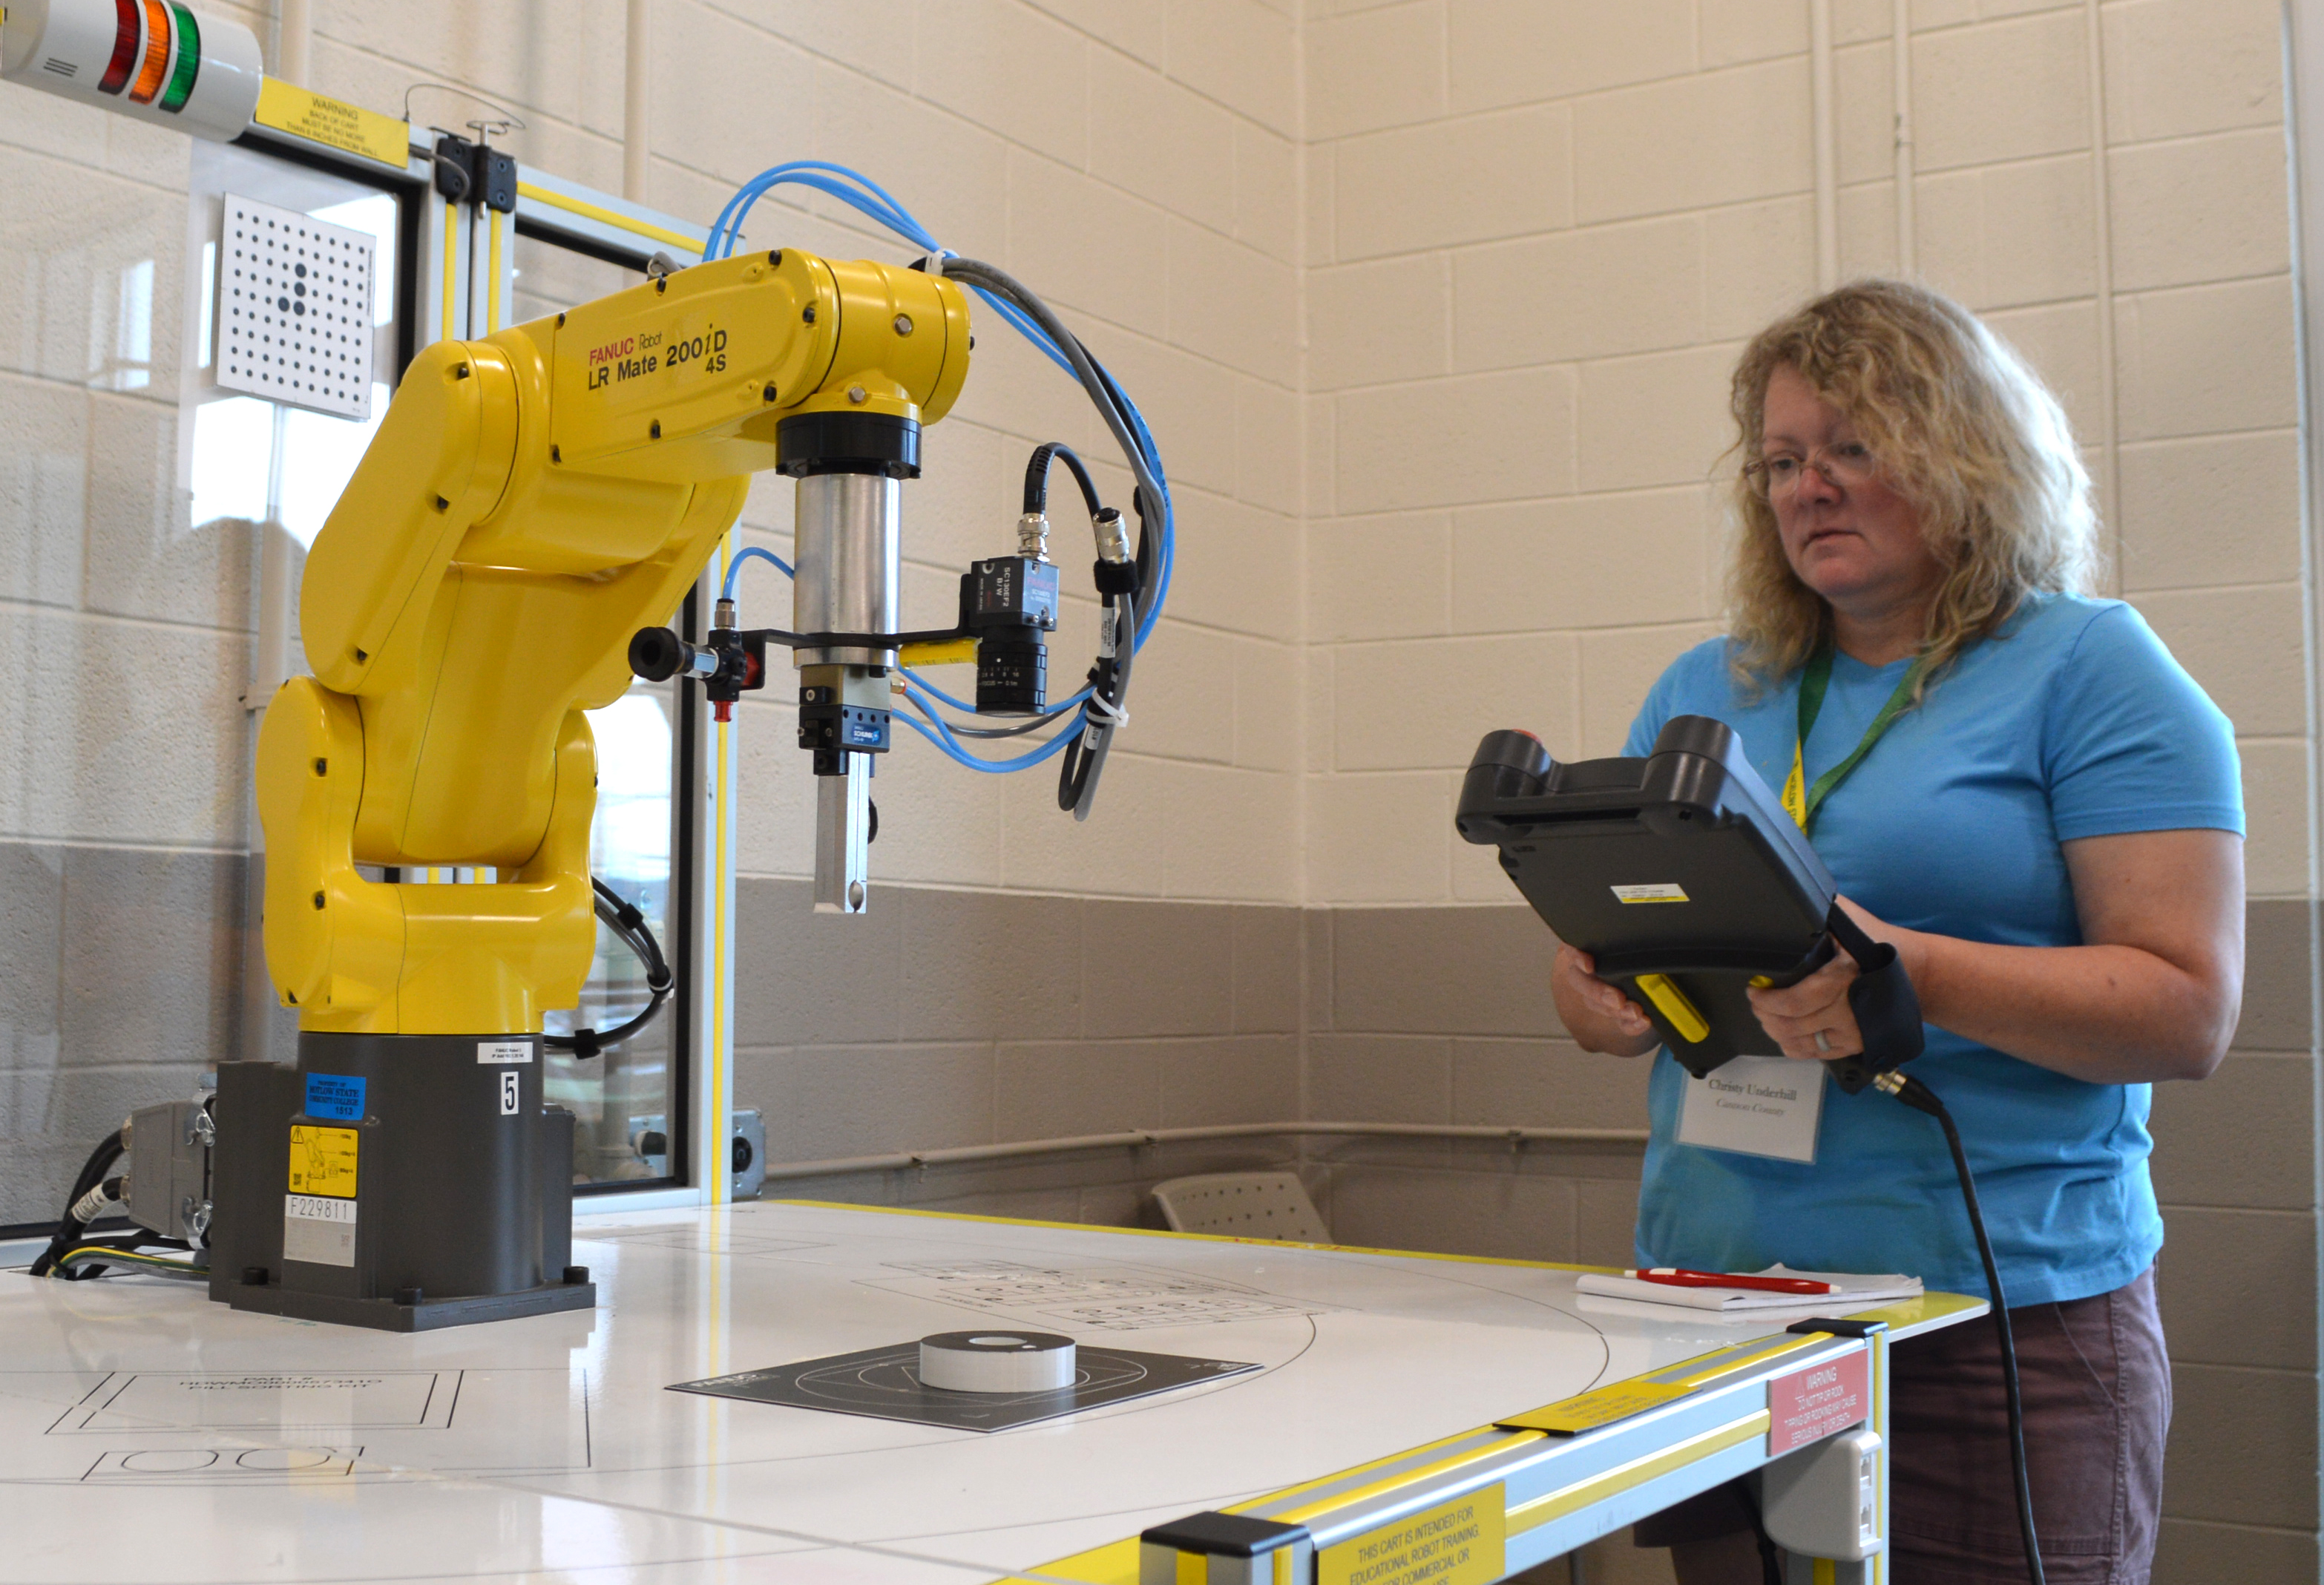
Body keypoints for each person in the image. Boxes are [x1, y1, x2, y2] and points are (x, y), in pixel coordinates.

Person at [1551, 280, 2244, 1585]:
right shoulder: (1707, 689)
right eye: (1782, 461)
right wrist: (1594, 996)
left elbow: (2187, 1010)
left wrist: (1909, 975)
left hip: (1990, 1314)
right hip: (1722, 1299)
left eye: (1855, 449)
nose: (1810, 487)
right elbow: (1603, 949)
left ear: (1965, 455)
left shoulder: (2092, 670)